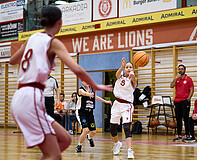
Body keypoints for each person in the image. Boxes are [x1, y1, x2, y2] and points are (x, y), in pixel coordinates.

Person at [9, 6, 112, 160]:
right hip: (30, 98)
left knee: (65, 140)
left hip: (19, 97)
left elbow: (12, 61)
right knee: (54, 155)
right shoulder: (53, 42)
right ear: (60, 22)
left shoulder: (31, 39)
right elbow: (76, 68)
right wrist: (97, 86)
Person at [109, 57, 137, 159]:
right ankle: (117, 143)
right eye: (127, 67)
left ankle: (130, 150)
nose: (129, 69)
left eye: (130, 67)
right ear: (124, 69)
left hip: (127, 105)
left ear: (133, 69)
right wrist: (121, 66)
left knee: (126, 128)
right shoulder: (120, 76)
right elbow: (117, 74)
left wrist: (132, 75)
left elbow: (133, 80)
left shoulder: (133, 78)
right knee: (112, 128)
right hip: (117, 104)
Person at [75, 81, 112, 152]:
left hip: (90, 112)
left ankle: (89, 137)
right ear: (82, 82)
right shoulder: (80, 90)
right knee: (85, 130)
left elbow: (96, 97)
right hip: (81, 112)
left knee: (94, 132)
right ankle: (79, 145)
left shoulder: (92, 89)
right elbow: (84, 93)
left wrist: (106, 101)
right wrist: (89, 94)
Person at [170, 64, 194, 141]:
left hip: (185, 101)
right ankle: (179, 134)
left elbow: (191, 89)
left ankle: (187, 134)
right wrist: (175, 78)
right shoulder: (177, 79)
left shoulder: (189, 79)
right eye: (179, 69)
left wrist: (188, 99)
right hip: (177, 101)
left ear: (185, 70)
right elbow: (171, 86)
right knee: (178, 119)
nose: (180, 70)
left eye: (182, 69)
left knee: (186, 118)